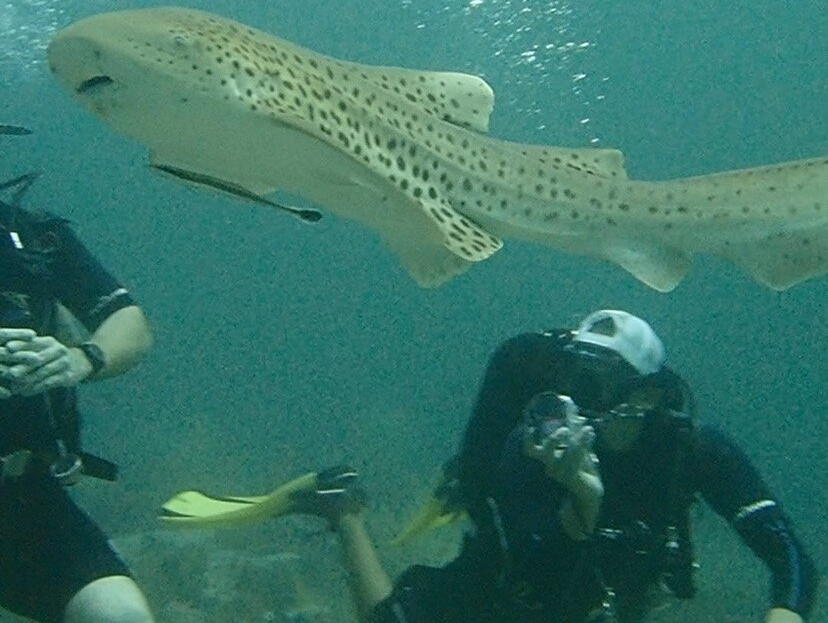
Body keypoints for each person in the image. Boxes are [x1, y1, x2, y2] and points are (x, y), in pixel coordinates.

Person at [263, 309, 817, 623]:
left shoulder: (694, 450)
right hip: (507, 590)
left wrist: (784, 615)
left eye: (595, 381)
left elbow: (789, 557)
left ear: (646, 396)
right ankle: (346, 511)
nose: (576, 396)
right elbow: (539, 573)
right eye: (572, 377)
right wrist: (579, 494)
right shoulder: (533, 446)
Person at [0, 123, 156, 623]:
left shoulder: (37, 238)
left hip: (22, 495)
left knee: (120, 615)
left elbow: (127, 322)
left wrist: (80, 359)